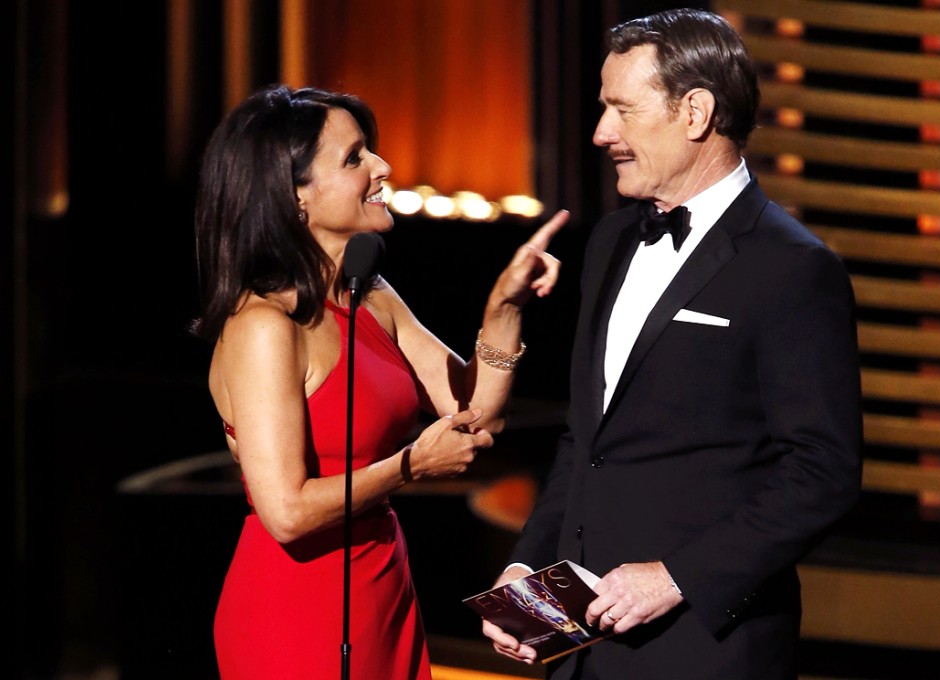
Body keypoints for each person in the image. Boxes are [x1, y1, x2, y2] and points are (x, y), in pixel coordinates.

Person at [481, 8, 862, 680]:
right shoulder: (609, 243)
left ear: (695, 112)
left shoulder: (794, 268)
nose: (601, 133)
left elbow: (822, 472)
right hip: (578, 650)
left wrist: (677, 578)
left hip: (702, 652)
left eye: (622, 110)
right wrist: (526, 572)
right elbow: (585, 441)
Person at [192, 84, 569, 680]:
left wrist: (504, 310)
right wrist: (409, 466)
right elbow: (285, 512)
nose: (382, 167)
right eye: (354, 158)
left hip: (381, 582)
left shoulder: (372, 297)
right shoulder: (263, 326)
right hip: (295, 607)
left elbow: (476, 415)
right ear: (296, 200)